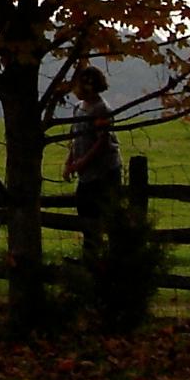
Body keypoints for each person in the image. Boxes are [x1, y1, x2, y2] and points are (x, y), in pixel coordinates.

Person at [62, 66, 123, 260]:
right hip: (86, 172)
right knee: (86, 216)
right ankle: (90, 257)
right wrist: (70, 161)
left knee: (100, 217)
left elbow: (102, 142)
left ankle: (99, 258)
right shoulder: (79, 107)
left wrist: (80, 163)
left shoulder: (101, 110)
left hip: (103, 173)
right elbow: (77, 137)